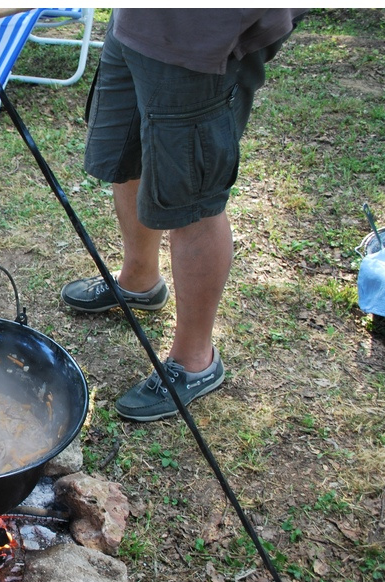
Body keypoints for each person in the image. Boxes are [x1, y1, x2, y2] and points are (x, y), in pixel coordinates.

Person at [61, 9, 306, 422]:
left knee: (192, 199)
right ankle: (139, 281)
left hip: (200, 37)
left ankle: (196, 362)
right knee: (130, 156)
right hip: (138, 21)